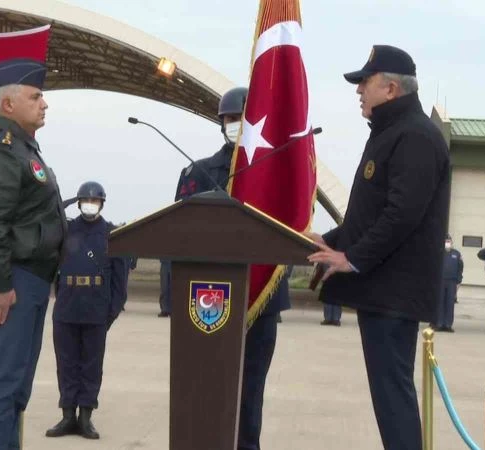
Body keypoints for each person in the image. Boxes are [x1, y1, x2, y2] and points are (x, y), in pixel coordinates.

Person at [306, 45, 450, 450]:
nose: (358, 92)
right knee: (389, 397)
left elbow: (403, 213)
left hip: (395, 294)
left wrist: (351, 258)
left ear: (390, 89)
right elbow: (370, 217)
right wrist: (329, 241)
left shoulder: (416, 136)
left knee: (393, 398)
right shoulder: (392, 133)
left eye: (363, 84)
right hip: (385, 292)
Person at [172, 86, 290, 450]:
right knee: (207, 390)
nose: (235, 124)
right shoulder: (200, 172)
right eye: (229, 119)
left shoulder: (277, 173)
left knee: (250, 392)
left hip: (261, 303)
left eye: (242, 118)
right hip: (210, 302)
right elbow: (178, 231)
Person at [0, 57, 67, 450]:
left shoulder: (24, 150)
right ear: (8, 105)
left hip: (31, 281)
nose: (44, 103)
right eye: (35, 96)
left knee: (15, 389)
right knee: (0, 386)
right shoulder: (0, 152)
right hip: (11, 282)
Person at [45, 181, 128, 440]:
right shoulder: (67, 231)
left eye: (94, 201)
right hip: (67, 307)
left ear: (102, 203)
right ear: (79, 203)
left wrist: (110, 314)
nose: (90, 204)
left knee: (91, 365)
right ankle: (67, 415)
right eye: (85, 200)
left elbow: (119, 281)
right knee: (66, 363)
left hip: (96, 310)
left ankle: (85, 418)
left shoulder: (111, 235)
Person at [434, 233, 463, 332]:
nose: (447, 243)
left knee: (450, 303)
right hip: (440, 281)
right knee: (440, 303)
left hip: (452, 281)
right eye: (446, 241)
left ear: (452, 242)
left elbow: (460, 268)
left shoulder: (456, 254)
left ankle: (448, 325)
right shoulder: (439, 253)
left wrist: (459, 280)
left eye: (449, 241)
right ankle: (439, 323)